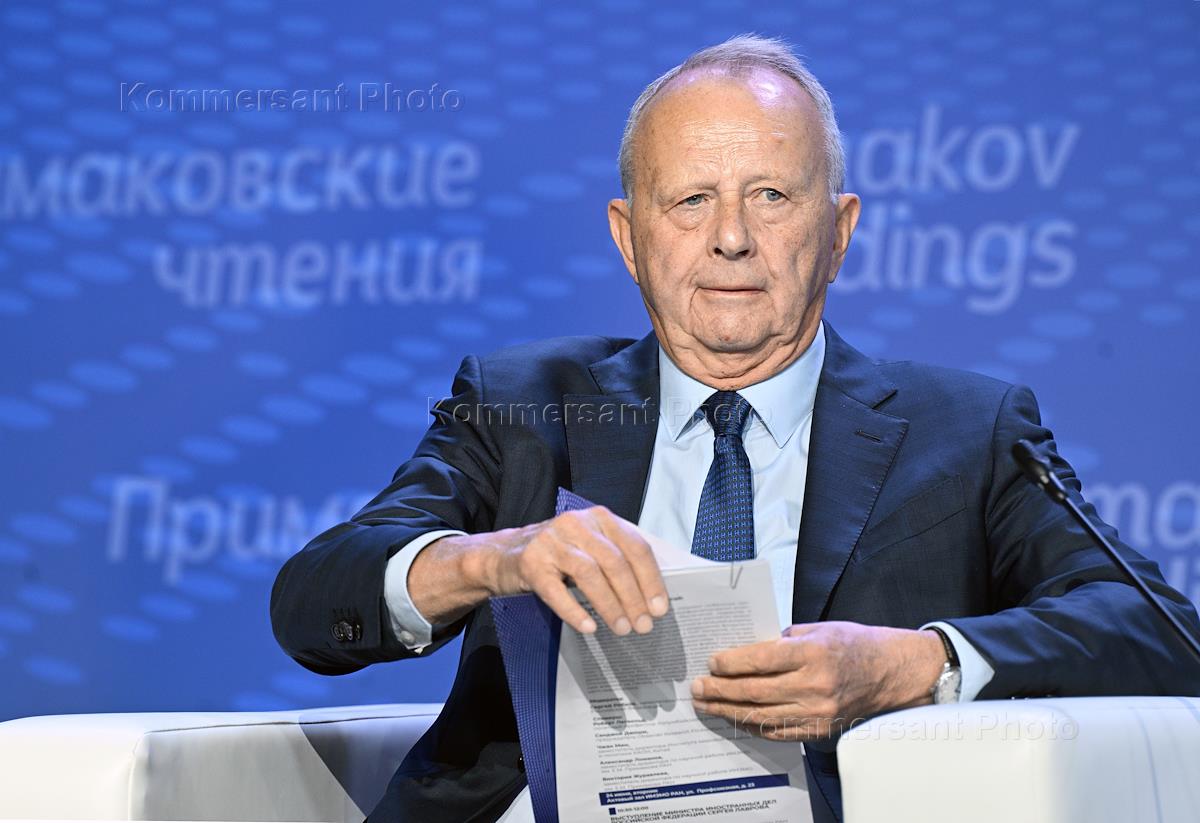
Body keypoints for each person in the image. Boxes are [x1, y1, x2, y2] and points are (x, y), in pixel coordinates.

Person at [270, 34, 1200, 823]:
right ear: (628, 237)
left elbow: (1162, 635)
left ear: (840, 231)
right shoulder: (521, 405)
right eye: (690, 200)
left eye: (771, 196)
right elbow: (313, 605)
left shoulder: (967, 432)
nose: (730, 238)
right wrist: (492, 560)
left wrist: (916, 664)